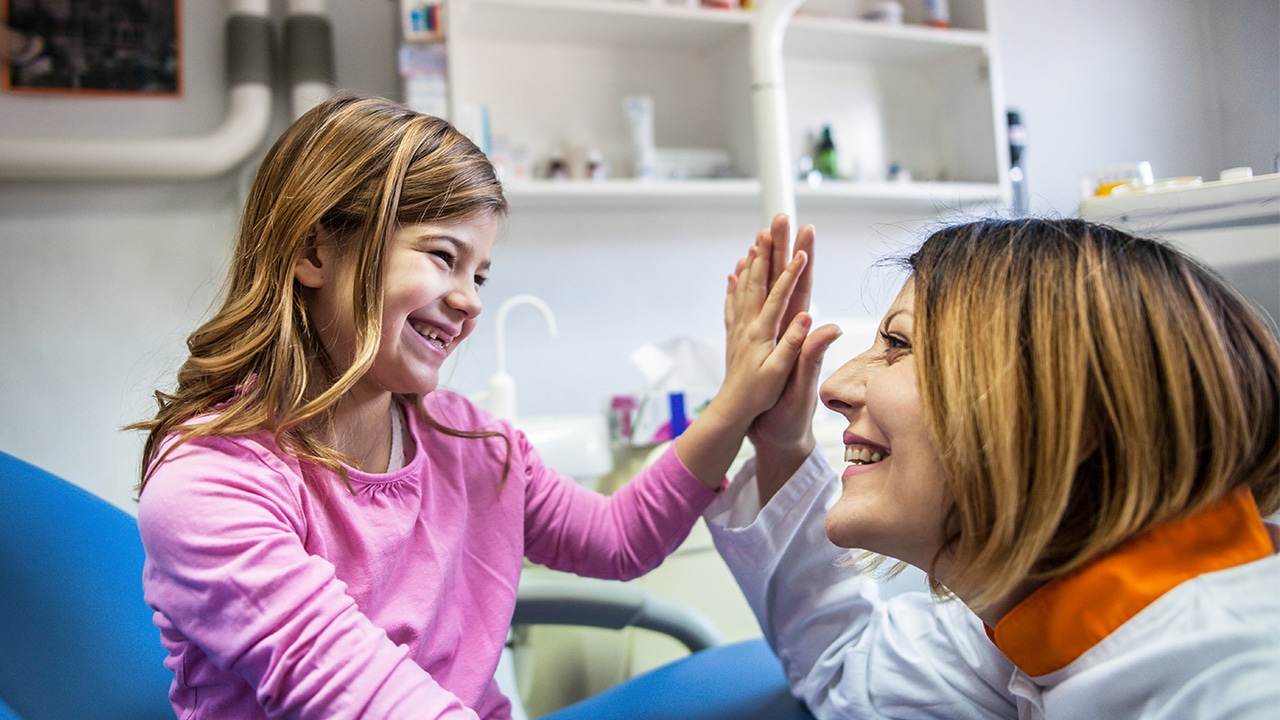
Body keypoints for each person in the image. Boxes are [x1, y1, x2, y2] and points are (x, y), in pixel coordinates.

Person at [132, 92, 815, 719]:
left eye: (479, 273)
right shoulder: (211, 486)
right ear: (316, 250)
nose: (470, 301)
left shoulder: (470, 442)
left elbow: (616, 540)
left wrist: (735, 404)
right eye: (442, 257)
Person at [706, 216, 1280, 719]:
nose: (832, 387)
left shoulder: (1238, 691)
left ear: (1069, 411)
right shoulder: (1028, 627)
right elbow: (847, 673)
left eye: (898, 344)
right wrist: (783, 442)